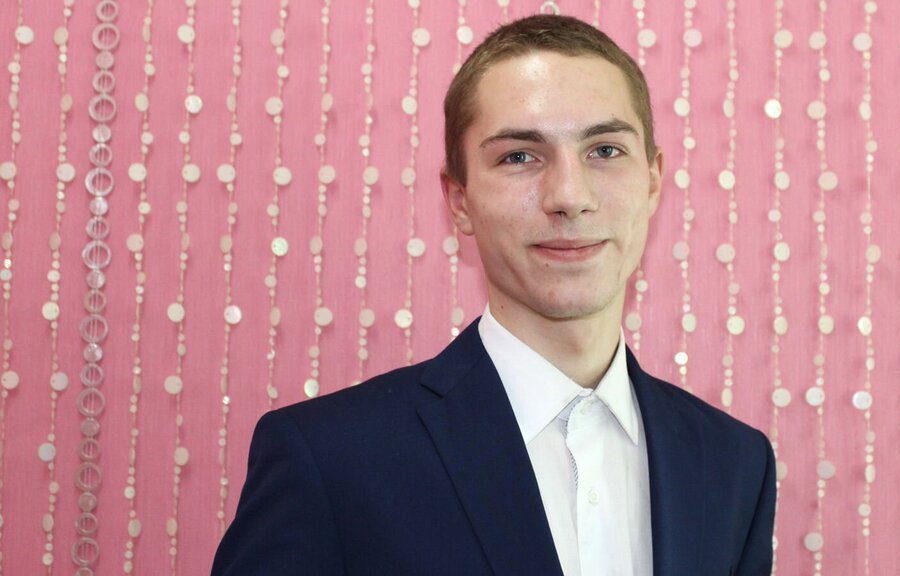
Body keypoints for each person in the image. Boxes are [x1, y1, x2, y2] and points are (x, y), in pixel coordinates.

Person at [213, 14, 775, 576]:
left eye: (605, 150)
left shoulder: (734, 464)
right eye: (519, 157)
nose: (569, 196)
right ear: (459, 200)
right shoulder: (329, 459)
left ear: (652, 181)